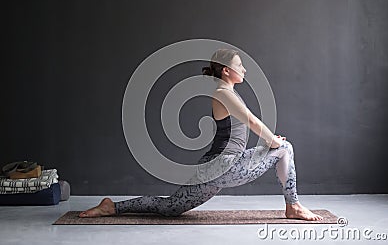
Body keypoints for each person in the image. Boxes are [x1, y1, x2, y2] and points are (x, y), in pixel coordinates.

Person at [79, 49, 323, 221]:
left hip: (214, 167)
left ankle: (112, 207)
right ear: (227, 71)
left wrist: (272, 142)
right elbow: (250, 120)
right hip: (224, 166)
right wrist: (273, 142)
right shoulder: (223, 93)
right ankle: (294, 206)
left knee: (171, 207)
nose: (245, 69)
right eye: (240, 66)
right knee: (285, 148)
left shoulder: (226, 92)